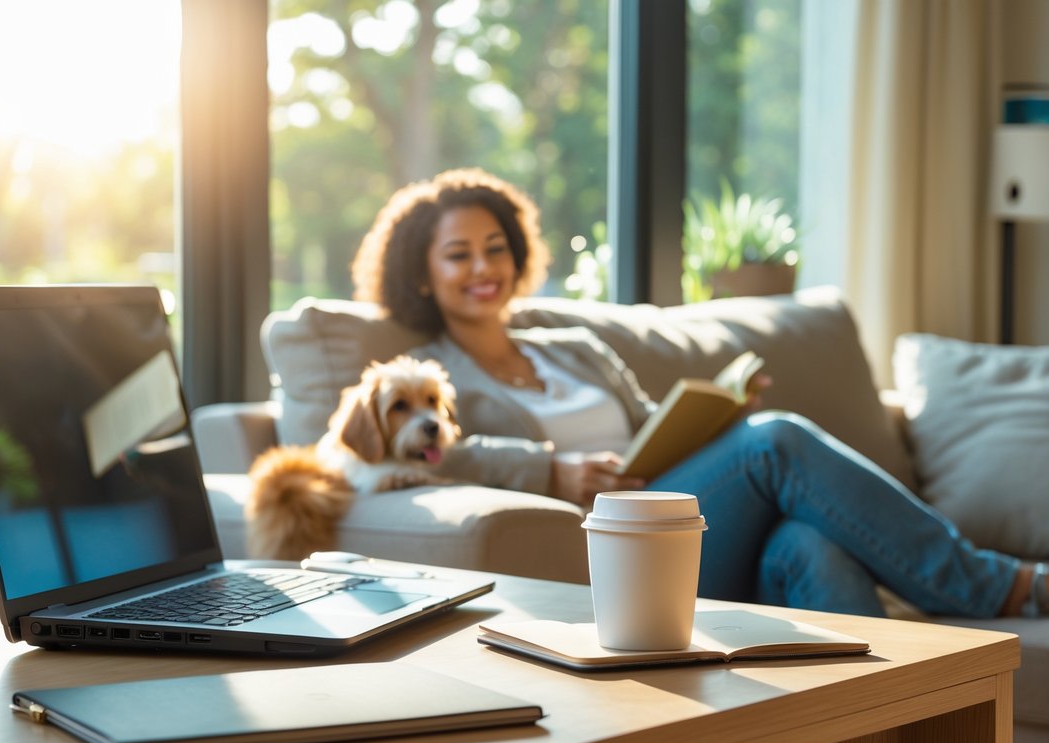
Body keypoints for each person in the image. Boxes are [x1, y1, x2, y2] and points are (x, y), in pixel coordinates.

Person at [350, 167, 1044, 619]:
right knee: (776, 440)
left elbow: (654, 429)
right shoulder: (423, 378)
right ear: (420, 274)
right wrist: (548, 469)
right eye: (458, 253)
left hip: (687, 514)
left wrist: (715, 414)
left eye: (494, 246)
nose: (482, 266)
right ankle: (1000, 585)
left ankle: (890, 735)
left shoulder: (570, 348)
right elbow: (408, 459)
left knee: (808, 547)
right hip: (610, 546)